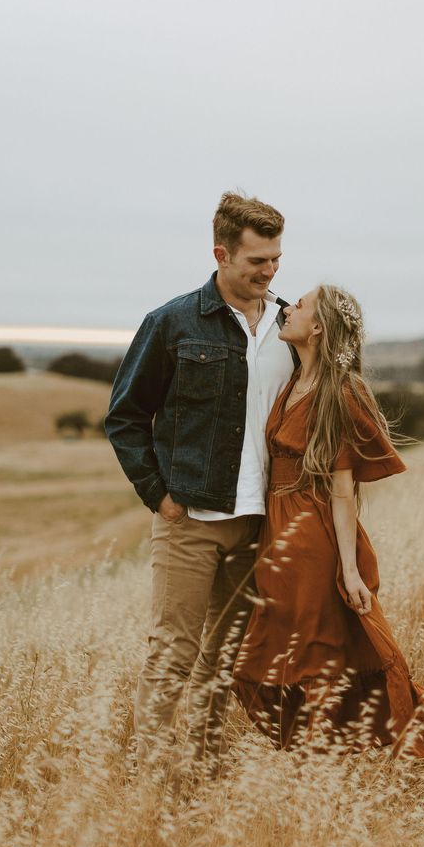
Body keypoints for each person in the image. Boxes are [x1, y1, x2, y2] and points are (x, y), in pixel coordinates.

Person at [105, 192, 298, 778]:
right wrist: (159, 496)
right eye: (256, 262)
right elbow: (126, 416)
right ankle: (151, 777)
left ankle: (206, 763)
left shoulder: (291, 326)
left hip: (259, 522)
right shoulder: (172, 322)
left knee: (229, 656)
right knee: (173, 655)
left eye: (275, 259)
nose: (268, 272)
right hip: (188, 520)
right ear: (221, 254)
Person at [231, 285, 424, 758]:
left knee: (315, 649)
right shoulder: (295, 379)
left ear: (318, 327)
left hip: (310, 532)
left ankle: (320, 760)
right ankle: (311, 750)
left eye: (301, 306)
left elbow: (342, 489)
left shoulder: (339, 391)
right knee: (268, 651)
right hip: (276, 529)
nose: (286, 308)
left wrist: (349, 569)